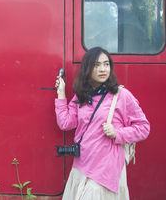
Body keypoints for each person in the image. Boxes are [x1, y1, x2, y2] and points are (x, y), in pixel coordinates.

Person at [55, 47, 150, 200]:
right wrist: (61, 93)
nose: (102, 69)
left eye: (106, 64)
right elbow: (66, 123)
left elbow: (144, 128)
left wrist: (117, 133)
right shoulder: (82, 95)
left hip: (105, 169)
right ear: (87, 68)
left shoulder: (121, 95)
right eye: (96, 65)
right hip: (82, 164)